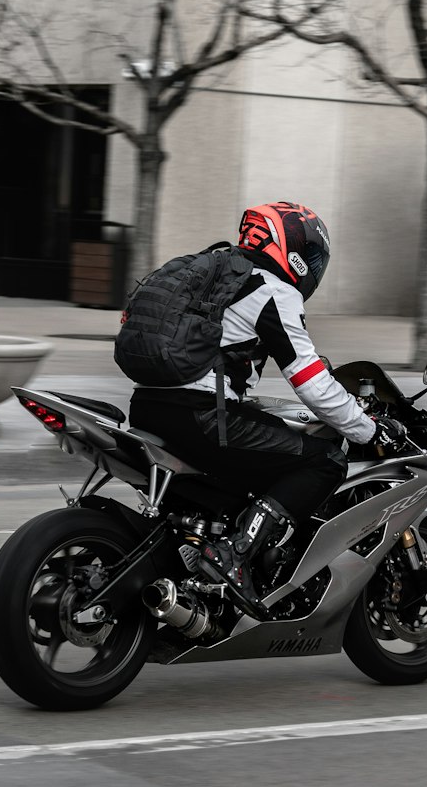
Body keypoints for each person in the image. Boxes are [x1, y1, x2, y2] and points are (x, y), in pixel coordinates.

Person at [127, 201, 407, 605]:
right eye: (310, 255)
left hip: (149, 406)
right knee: (323, 461)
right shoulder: (272, 290)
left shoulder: (218, 274)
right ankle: (234, 553)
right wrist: (369, 428)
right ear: (289, 248)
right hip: (203, 418)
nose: (312, 265)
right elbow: (311, 382)